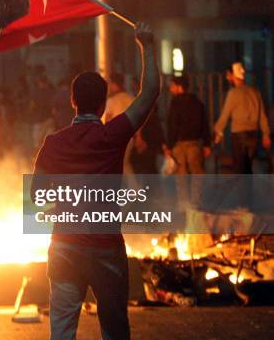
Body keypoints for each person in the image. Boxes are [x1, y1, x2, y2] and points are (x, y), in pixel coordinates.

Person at [33, 22, 160, 340]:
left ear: (73, 101)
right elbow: (150, 93)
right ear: (104, 104)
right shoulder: (111, 135)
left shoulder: (53, 143)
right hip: (105, 249)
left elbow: (35, 198)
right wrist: (146, 45)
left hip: (63, 247)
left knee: (62, 331)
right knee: (115, 329)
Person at [214, 62, 271, 173]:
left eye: (228, 74)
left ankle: (242, 190)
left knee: (239, 170)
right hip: (253, 134)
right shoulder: (255, 92)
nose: (227, 77)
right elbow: (262, 115)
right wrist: (266, 134)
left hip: (239, 135)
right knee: (249, 168)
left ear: (233, 75)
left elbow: (225, 114)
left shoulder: (233, 93)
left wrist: (218, 131)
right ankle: (249, 190)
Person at [165, 76, 211, 207]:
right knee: (197, 175)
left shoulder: (175, 103)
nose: (171, 88)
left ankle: (184, 205)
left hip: (179, 145)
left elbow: (172, 125)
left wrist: (169, 145)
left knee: (181, 176)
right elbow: (204, 124)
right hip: (195, 144)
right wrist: (207, 144)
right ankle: (196, 203)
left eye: (173, 85)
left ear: (180, 87)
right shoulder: (198, 103)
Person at [104, 72, 135, 174]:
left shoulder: (112, 100)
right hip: (129, 136)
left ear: (113, 84)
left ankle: (133, 189)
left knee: (120, 165)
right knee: (124, 164)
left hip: (115, 137)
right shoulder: (131, 99)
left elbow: (107, 120)